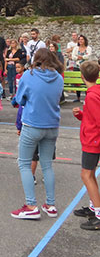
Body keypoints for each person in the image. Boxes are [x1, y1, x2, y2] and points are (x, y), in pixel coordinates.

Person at [12, 48, 63, 220]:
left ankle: (31, 205)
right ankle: (50, 204)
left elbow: (19, 99)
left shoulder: (29, 75)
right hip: (52, 124)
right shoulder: (58, 78)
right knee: (47, 165)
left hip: (33, 123)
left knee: (25, 164)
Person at [72, 61, 100, 230]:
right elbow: (92, 117)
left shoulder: (91, 96)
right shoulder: (95, 92)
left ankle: (98, 213)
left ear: (82, 76)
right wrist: (81, 115)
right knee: (90, 174)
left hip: (93, 140)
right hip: (93, 138)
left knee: (86, 175)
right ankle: (93, 207)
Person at [72, 35, 93, 102]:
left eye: (82, 39)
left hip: (86, 67)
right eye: (79, 39)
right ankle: (78, 97)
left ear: (85, 40)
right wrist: (78, 57)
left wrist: (82, 57)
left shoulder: (88, 48)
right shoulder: (76, 48)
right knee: (78, 83)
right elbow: (73, 57)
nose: (80, 41)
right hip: (77, 66)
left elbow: (88, 56)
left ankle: (87, 97)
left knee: (86, 82)